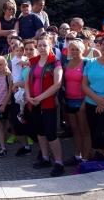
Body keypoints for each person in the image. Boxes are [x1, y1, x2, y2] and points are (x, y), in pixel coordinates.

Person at [25, 35, 64, 177]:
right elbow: (27, 82)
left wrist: (40, 97)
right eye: (39, 45)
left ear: (50, 45)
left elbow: (57, 84)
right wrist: (29, 96)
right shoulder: (33, 62)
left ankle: (59, 162)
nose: (41, 48)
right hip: (33, 102)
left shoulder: (55, 63)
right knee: (40, 132)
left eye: (44, 45)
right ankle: (45, 158)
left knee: (51, 134)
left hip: (48, 104)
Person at [62, 39, 91, 166]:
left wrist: (85, 103)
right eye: (71, 49)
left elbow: (91, 85)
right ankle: (76, 155)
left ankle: (85, 158)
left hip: (82, 101)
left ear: (82, 50)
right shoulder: (67, 63)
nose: (74, 51)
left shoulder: (87, 63)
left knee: (84, 130)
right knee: (75, 130)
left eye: (77, 49)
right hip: (69, 101)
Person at [12, 39, 38, 157]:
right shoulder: (21, 61)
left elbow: (31, 82)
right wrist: (15, 85)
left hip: (33, 98)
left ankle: (43, 151)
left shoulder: (35, 63)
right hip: (22, 93)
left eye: (30, 49)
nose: (26, 51)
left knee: (33, 126)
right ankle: (25, 147)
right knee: (17, 124)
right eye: (25, 49)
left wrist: (16, 85)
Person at [11, 43, 29, 124]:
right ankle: (20, 113)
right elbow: (27, 64)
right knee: (20, 97)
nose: (19, 52)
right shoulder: (15, 59)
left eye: (21, 50)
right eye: (17, 51)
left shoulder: (23, 58)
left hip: (21, 79)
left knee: (23, 96)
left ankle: (21, 113)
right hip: (17, 80)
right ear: (14, 52)